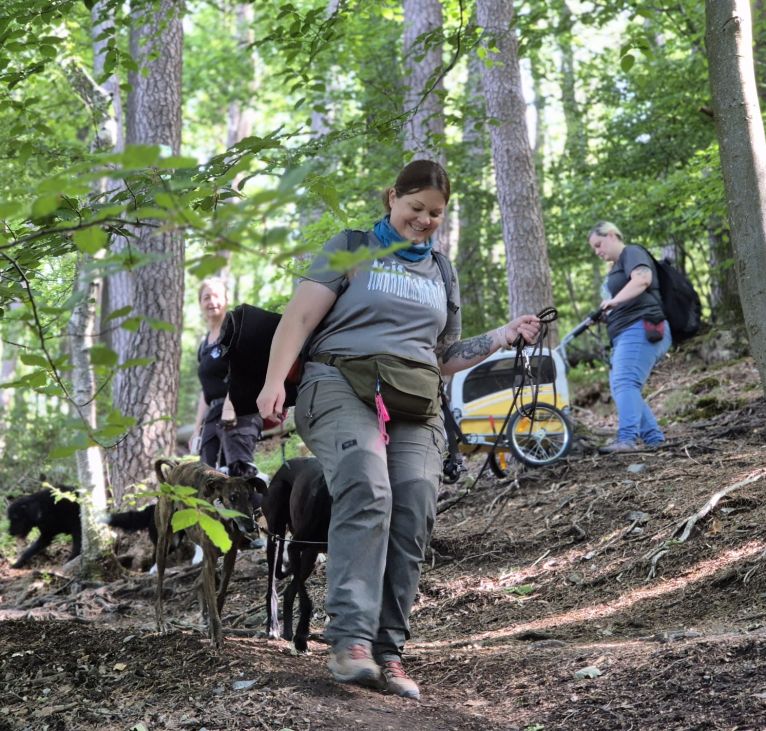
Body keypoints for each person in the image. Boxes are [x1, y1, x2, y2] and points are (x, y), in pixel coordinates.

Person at [257, 160, 540, 700]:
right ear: (392, 198)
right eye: (416, 208)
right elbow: (299, 317)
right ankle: (350, 641)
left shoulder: (441, 271)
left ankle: (388, 652)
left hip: (413, 398)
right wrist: (274, 381)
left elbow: (444, 355)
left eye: (435, 213)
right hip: (338, 382)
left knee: (412, 505)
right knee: (368, 484)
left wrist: (504, 334)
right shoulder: (353, 246)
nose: (424, 220)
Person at [587, 221, 672, 454]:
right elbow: (622, 301)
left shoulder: (631, 252)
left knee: (625, 382)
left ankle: (627, 439)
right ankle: (654, 438)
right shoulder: (615, 268)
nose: (597, 251)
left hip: (643, 327)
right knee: (622, 386)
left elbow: (642, 279)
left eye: (598, 244)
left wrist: (613, 301)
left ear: (611, 235)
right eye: (594, 248)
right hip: (625, 332)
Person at [190, 277, 263, 477]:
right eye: (206, 297)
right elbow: (206, 391)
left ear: (226, 300)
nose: (211, 301)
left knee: (240, 474)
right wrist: (197, 429)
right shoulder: (204, 346)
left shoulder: (236, 330)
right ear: (200, 303)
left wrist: (230, 406)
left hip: (239, 410)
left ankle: (256, 497)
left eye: (216, 296)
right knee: (209, 478)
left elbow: (244, 371)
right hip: (213, 415)